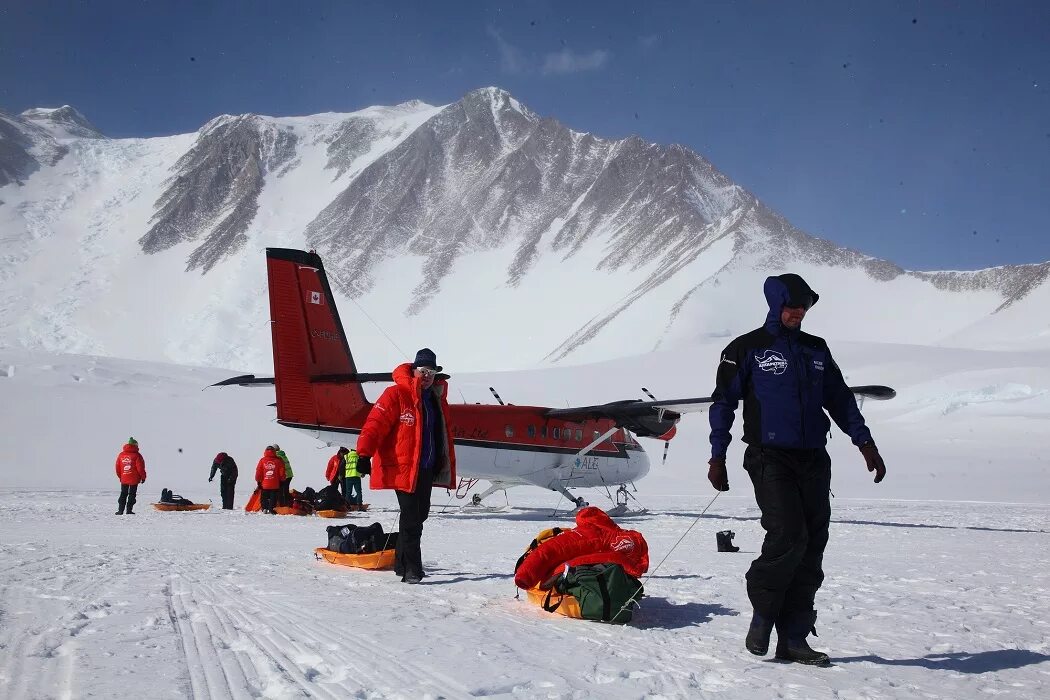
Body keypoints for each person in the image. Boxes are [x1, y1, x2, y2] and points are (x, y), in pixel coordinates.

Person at [707, 273, 887, 666]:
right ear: (775, 305)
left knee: (812, 544)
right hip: (768, 456)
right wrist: (717, 455)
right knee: (788, 534)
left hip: (813, 459)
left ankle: (794, 637)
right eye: (791, 306)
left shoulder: (816, 349)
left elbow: (839, 399)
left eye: (803, 307)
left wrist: (864, 442)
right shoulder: (748, 348)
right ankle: (763, 613)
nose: (798, 313)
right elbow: (723, 403)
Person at [355, 348, 456, 583]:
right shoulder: (395, 395)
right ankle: (413, 569)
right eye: (423, 371)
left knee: (420, 515)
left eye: (431, 371)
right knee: (411, 518)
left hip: (426, 468)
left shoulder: (436, 400)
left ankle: (400, 563)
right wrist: (363, 454)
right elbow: (374, 424)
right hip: (403, 468)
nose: (427, 376)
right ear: (413, 370)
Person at [115, 437, 147, 515]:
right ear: (135, 445)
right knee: (132, 494)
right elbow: (140, 468)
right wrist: (143, 477)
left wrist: (121, 476)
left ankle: (120, 510)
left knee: (123, 493)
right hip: (134, 479)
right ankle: (129, 510)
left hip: (124, 478)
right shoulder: (137, 455)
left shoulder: (121, 455)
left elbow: (117, 467)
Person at [255, 446, 285, 514]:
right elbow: (282, 472)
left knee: (264, 497)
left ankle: (264, 508)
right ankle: (272, 509)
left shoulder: (262, 460)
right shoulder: (278, 460)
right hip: (275, 483)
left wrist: (258, 481)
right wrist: (282, 480)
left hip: (264, 483)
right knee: (273, 497)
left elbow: (258, 472)